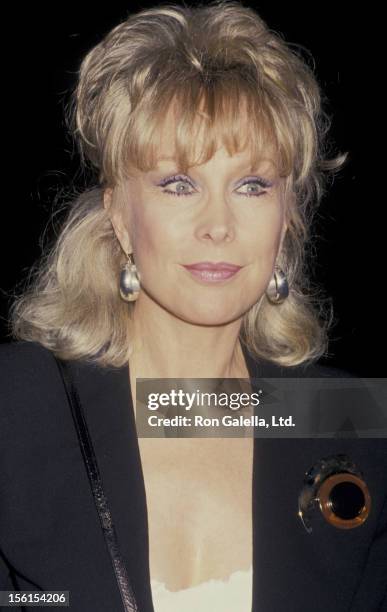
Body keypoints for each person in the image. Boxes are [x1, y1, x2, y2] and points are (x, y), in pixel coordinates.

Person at [1, 2, 386, 611]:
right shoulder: (22, 402)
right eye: (178, 184)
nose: (218, 225)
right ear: (120, 217)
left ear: (289, 218)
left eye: (252, 185)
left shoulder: (346, 419)